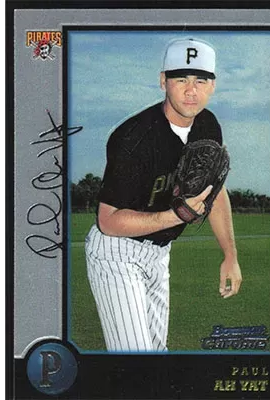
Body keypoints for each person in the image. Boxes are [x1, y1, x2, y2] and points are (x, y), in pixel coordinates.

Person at [85, 38, 242, 352]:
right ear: (163, 81)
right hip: (117, 253)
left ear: (213, 85)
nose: (191, 90)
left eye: (201, 80)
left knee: (157, 358)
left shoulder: (208, 126)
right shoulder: (133, 138)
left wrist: (230, 255)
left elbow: (214, 191)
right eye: (181, 79)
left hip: (160, 254)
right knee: (137, 359)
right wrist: (176, 216)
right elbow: (109, 221)